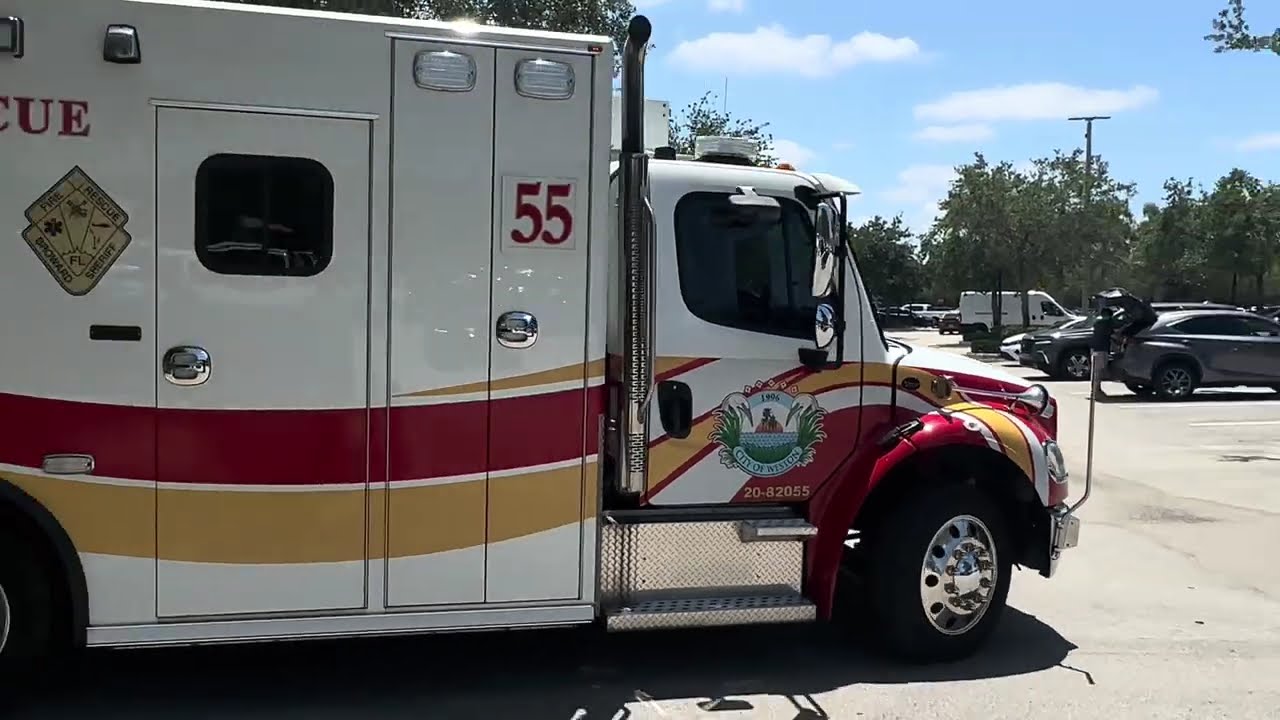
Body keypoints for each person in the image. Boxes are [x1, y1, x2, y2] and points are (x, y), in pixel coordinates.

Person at [1089, 307, 1114, 401]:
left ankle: (1096, 390)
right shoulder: (1107, 323)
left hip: (1095, 348)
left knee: (1096, 371)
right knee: (1098, 372)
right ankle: (1096, 391)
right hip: (1101, 349)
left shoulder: (1097, 322)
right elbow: (1112, 334)